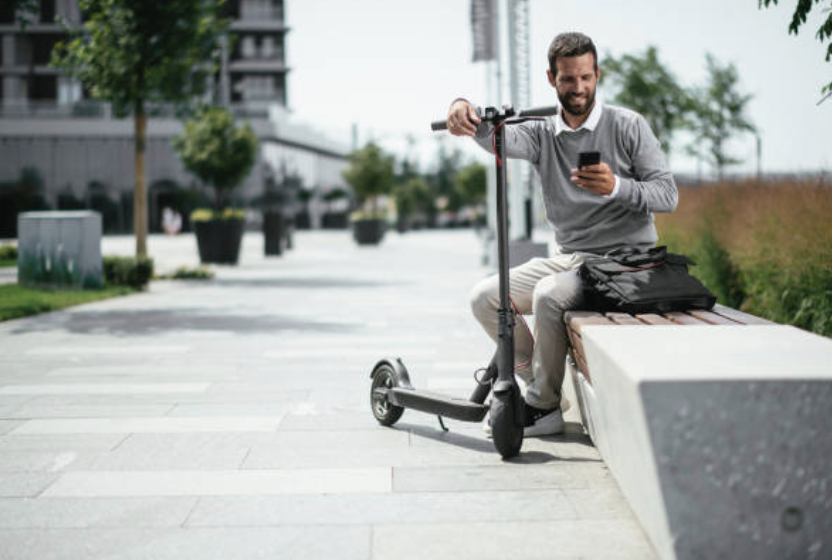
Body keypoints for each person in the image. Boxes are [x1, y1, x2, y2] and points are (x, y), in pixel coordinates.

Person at [446, 32, 678, 437]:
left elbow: (667, 196)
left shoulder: (628, 126)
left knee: (549, 295)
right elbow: (495, 136)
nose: (579, 88)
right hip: (572, 258)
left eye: (586, 78)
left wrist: (616, 187)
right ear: (552, 78)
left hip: (628, 262)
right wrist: (461, 107)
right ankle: (540, 379)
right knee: (485, 298)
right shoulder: (540, 133)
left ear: (597, 74)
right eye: (569, 79)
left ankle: (542, 405)